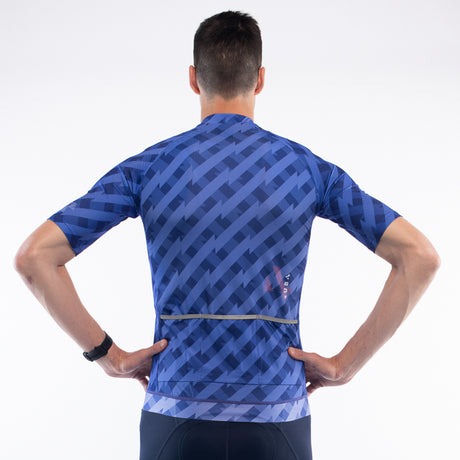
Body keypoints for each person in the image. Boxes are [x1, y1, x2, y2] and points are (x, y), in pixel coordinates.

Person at [14, 9, 440, 460]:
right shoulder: (308, 171)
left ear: (193, 79)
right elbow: (419, 256)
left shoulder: (149, 168)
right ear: (260, 79)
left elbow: (35, 257)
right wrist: (345, 366)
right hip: (278, 414)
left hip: (175, 412)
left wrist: (108, 356)